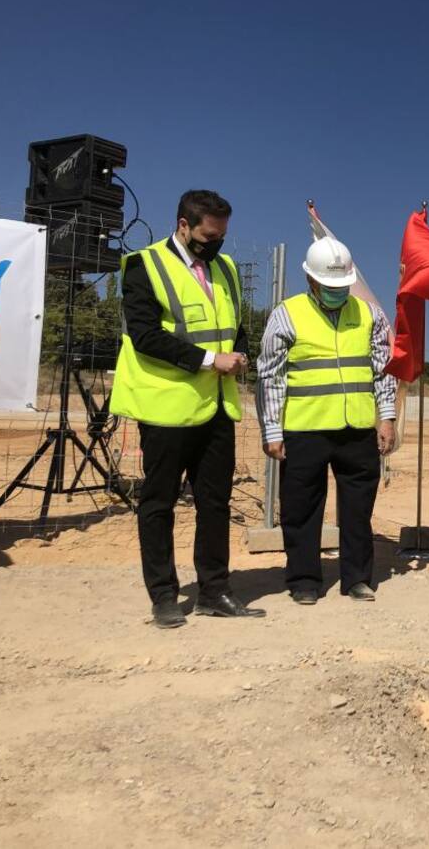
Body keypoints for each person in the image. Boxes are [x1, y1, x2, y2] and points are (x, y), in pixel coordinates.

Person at [110, 189, 265, 628]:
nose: (214, 243)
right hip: (167, 407)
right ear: (183, 224)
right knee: (158, 502)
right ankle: (163, 595)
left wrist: (237, 352)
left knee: (215, 502)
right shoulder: (145, 266)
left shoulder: (226, 268)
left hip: (216, 405)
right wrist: (208, 360)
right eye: (207, 235)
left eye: (221, 236)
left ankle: (214, 591)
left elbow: (233, 324)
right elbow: (144, 335)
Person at [255, 235, 396, 604]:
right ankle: (303, 580)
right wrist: (271, 429)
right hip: (304, 429)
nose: (338, 292)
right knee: (301, 509)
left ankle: (357, 579)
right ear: (311, 281)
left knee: (358, 509)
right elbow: (271, 375)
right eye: (330, 286)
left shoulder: (369, 315)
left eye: (343, 285)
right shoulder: (287, 314)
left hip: (357, 430)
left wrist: (387, 418)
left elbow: (383, 371)